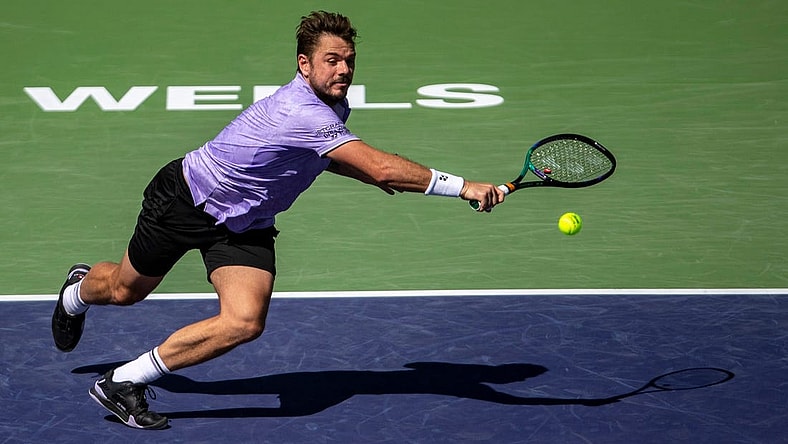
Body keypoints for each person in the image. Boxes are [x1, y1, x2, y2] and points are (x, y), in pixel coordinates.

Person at [51, 10, 505, 430]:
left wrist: (364, 173)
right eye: (332, 61)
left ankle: (122, 381)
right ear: (304, 64)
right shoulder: (300, 110)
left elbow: (330, 160)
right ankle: (76, 293)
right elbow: (382, 167)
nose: (344, 70)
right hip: (186, 200)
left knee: (244, 321)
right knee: (124, 291)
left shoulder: (331, 106)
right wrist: (464, 186)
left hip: (248, 221)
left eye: (349, 61)